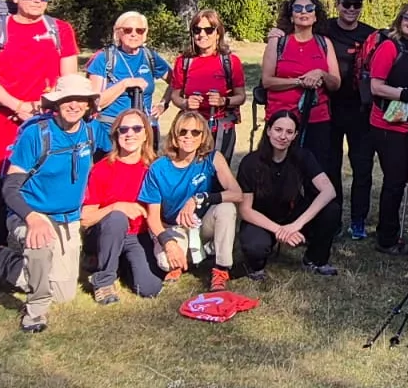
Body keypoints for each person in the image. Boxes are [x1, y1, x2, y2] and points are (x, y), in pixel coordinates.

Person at [0, 74, 109, 334]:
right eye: (67, 99)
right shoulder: (36, 134)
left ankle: (1, 261)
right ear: (56, 102)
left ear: (89, 105)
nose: (74, 105)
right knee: (40, 244)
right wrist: (32, 217)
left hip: (69, 219)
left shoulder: (93, 131)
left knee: (63, 293)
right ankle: (35, 310)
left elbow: (111, 157)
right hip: (31, 214)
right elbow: (11, 188)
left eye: (81, 100)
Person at [0, 0, 79, 250]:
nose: (36, 0)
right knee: (1, 181)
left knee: (44, 178)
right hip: (5, 119)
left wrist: (49, 105)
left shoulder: (60, 30)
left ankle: (41, 242)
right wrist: (17, 106)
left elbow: (67, 79)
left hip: (48, 120)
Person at [140, 111, 242, 289]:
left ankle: (220, 269)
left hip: (201, 223)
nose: (189, 136)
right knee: (166, 262)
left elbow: (237, 193)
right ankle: (184, 256)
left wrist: (199, 198)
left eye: (196, 132)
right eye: (183, 132)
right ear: (174, 135)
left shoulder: (212, 158)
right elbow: (153, 218)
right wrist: (168, 243)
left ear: (203, 137)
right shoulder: (159, 167)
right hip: (172, 226)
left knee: (227, 208)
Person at [237, 109, 343, 278]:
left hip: (292, 213)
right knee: (255, 247)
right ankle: (256, 267)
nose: (283, 136)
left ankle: (315, 259)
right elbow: (245, 210)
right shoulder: (250, 162)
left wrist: (296, 225)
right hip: (261, 218)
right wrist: (280, 230)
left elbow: (329, 190)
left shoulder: (302, 156)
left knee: (331, 210)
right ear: (269, 130)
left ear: (295, 135)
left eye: (289, 132)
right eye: (278, 130)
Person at [80, 107, 164, 303]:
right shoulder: (102, 168)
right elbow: (85, 218)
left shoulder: (155, 167)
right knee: (117, 218)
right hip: (106, 232)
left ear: (146, 135)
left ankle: (120, 264)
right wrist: (116, 206)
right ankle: (104, 280)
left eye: (136, 128)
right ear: (116, 134)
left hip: (139, 235)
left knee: (150, 288)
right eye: (123, 129)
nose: (130, 134)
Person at [367, 3, 408, 253]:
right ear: (400, 19)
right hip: (388, 125)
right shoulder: (389, 47)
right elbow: (376, 86)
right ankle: (386, 238)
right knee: (394, 181)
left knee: (402, 179)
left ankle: (392, 230)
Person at [317, 0, 376, 240]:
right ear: (337, 4)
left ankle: (358, 220)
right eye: (346, 3)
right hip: (329, 107)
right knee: (330, 166)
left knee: (362, 167)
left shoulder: (371, 34)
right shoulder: (324, 29)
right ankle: (334, 216)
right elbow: (296, 28)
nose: (351, 9)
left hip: (361, 110)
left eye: (356, 4)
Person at [261, 0, 341, 173]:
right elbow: (267, 81)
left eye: (309, 8)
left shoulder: (324, 43)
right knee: (278, 172)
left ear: (315, 15)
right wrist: (300, 81)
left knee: (315, 172)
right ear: (291, 16)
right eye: (297, 8)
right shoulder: (278, 42)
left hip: (317, 120)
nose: (303, 12)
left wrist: (321, 74)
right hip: (282, 120)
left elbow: (335, 83)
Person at [167, 8, 247, 163]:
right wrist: (185, 103)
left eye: (208, 30)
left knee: (218, 175)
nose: (202, 34)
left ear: (218, 33)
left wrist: (224, 101)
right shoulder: (184, 61)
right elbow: (175, 95)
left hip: (220, 129)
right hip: (191, 129)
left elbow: (241, 96)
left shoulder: (230, 62)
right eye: (197, 30)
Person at [88, 10, 172, 132]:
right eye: (128, 30)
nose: (134, 34)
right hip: (110, 129)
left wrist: (163, 104)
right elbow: (95, 102)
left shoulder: (150, 56)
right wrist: (124, 84)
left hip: (143, 129)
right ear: (118, 32)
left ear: (145, 34)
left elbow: (176, 82)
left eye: (139, 30)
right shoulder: (105, 58)